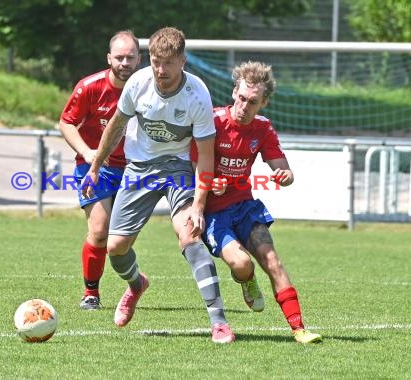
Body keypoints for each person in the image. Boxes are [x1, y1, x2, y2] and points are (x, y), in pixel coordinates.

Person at [84, 27, 235, 344]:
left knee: (190, 233)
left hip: (178, 167)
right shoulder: (138, 84)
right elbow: (115, 127)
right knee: (115, 247)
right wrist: (95, 166)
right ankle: (137, 284)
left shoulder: (197, 94)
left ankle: (219, 322)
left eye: (167, 63)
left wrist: (198, 205)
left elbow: (206, 155)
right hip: (138, 168)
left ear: (183, 60)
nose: (160, 71)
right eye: (155, 62)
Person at [200, 60, 322, 344]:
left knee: (273, 260)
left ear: (263, 102)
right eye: (241, 98)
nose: (244, 107)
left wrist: (285, 175)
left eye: (252, 102)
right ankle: (247, 279)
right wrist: (208, 183)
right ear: (234, 92)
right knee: (242, 265)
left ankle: (299, 329)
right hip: (214, 213)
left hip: (245, 207)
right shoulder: (212, 121)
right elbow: (192, 165)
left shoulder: (263, 129)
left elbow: (284, 170)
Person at [59, 30, 141, 310]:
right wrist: (88, 153)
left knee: (121, 241)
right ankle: (90, 293)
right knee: (99, 229)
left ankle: (136, 281)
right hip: (96, 167)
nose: (124, 62)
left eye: (130, 57)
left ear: (139, 59)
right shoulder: (90, 87)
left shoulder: (150, 90)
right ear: (109, 58)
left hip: (134, 171)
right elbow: (66, 123)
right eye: (119, 57)